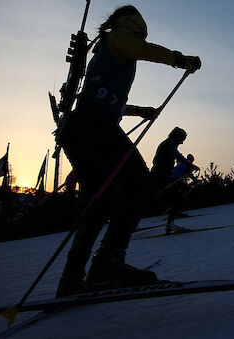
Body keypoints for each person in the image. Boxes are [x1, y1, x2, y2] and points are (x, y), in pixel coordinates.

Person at [56, 5, 201, 297]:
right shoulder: (121, 35)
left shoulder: (102, 53)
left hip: (78, 128)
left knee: (98, 205)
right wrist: (179, 60)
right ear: (138, 25)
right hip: (96, 126)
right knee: (139, 185)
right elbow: (138, 49)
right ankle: (109, 262)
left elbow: (102, 98)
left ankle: (72, 279)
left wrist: (140, 111)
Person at [151, 127, 199, 233]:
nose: (182, 142)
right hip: (161, 176)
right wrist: (189, 164)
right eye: (182, 139)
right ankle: (170, 224)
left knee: (170, 197)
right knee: (177, 197)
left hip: (161, 175)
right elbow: (176, 154)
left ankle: (171, 222)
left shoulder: (167, 143)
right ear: (177, 137)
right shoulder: (170, 144)